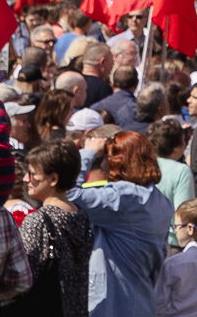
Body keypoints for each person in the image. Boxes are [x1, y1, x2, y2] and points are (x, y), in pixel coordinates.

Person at [75, 130, 168, 317]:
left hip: (112, 302)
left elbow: (70, 195)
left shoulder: (122, 196)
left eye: (107, 158)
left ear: (117, 161)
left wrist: (88, 152)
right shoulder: (161, 201)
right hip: (141, 299)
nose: (103, 164)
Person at [15, 140, 92, 317]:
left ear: (53, 179)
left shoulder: (39, 220)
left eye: (32, 173)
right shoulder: (80, 215)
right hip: (77, 309)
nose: (26, 178)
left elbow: (23, 276)